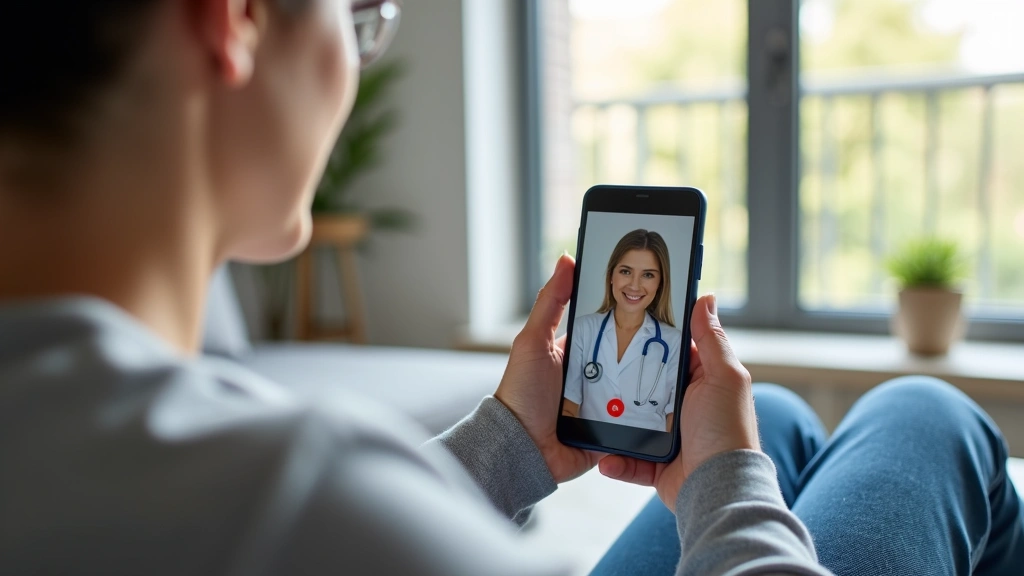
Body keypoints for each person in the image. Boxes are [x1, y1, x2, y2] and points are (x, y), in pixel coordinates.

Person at [0, 1, 1021, 575]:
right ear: (235, 19)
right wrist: (722, 491)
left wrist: (503, 451)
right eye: (362, 17)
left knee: (783, 421)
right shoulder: (289, 496)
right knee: (928, 418)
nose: (358, 55)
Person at [562, 229, 683, 432]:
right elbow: (568, 409)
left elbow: (672, 420)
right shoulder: (584, 330)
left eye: (648, 275)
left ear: (660, 283)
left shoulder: (673, 342)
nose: (634, 285)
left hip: (647, 456)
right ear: (611, 276)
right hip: (591, 452)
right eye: (626, 271)